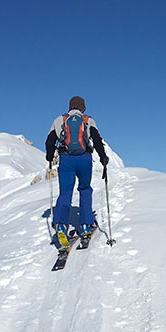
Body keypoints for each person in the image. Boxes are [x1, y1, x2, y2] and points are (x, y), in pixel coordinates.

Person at [45, 96, 109, 248]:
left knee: (65, 192)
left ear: (70, 107)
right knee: (85, 189)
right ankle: (86, 226)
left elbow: (49, 141)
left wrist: (49, 157)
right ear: (82, 107)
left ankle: (61, 226)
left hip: (66, 159)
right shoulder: (88, 120)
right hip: (84, 159)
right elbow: (97, 139)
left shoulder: (59, 120)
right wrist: (103, 157)